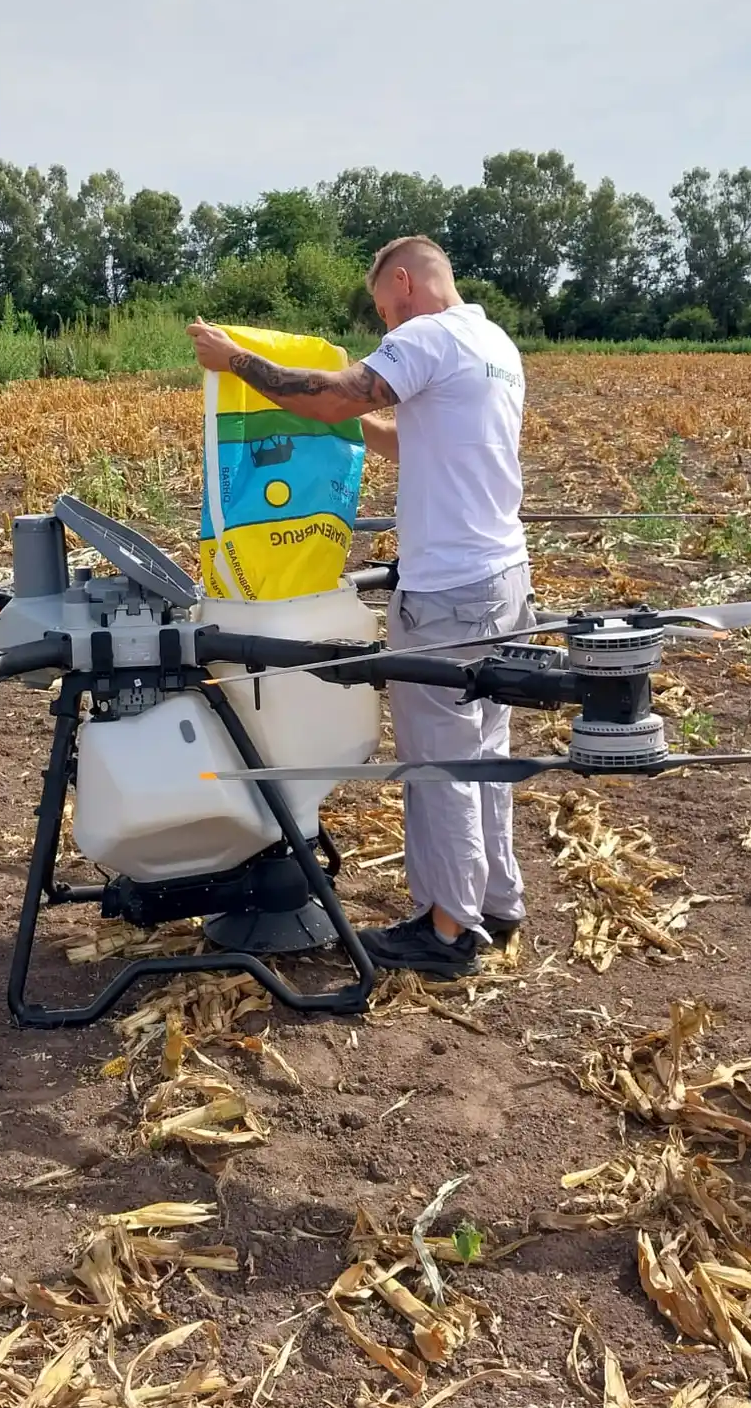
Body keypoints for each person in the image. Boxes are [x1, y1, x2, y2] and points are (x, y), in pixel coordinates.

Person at [187, 235, 531, 979]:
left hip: (447, 591)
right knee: (485, 751)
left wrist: (236, 362)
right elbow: (401, 441)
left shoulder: (430, 335)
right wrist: (328, 420)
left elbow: (341, 393)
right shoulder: (492, 340)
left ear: (403, 283)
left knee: (439, 761)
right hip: (504, 580)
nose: (385, 329)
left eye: (383, 311)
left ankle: (446, 932)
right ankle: (496, 902)